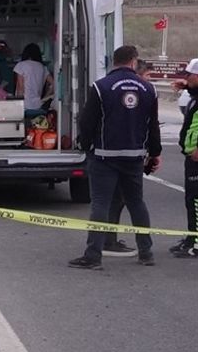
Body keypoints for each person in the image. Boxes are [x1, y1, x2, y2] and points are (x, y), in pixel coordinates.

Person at [69, 45, 161, 269]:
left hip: (104, 156)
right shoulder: (149, 89)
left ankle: (93, 256)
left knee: (100, 204)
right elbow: (153, 126)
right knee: (136, 203)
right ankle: (146, 252)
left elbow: (86, 121)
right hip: (134, 156)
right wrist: (154, 153)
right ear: (133, 61)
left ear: (115, 61)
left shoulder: (101, 87)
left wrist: (86, 144)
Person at [170, 58, 198, 258]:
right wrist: (187, 88)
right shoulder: (195, 96)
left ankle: (196, 243)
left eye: (189, 76)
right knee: (190, 199)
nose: (185, 78)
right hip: (191, 156)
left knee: (196, 200)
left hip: (197, 156)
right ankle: (191, 237)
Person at [12, 43, 53, 119]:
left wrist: (17, 105)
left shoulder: (21, 65)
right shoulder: (43, 67)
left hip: (24, 106)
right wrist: (45, 97)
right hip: (38, 105)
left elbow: (20, 88)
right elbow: (53, 84)